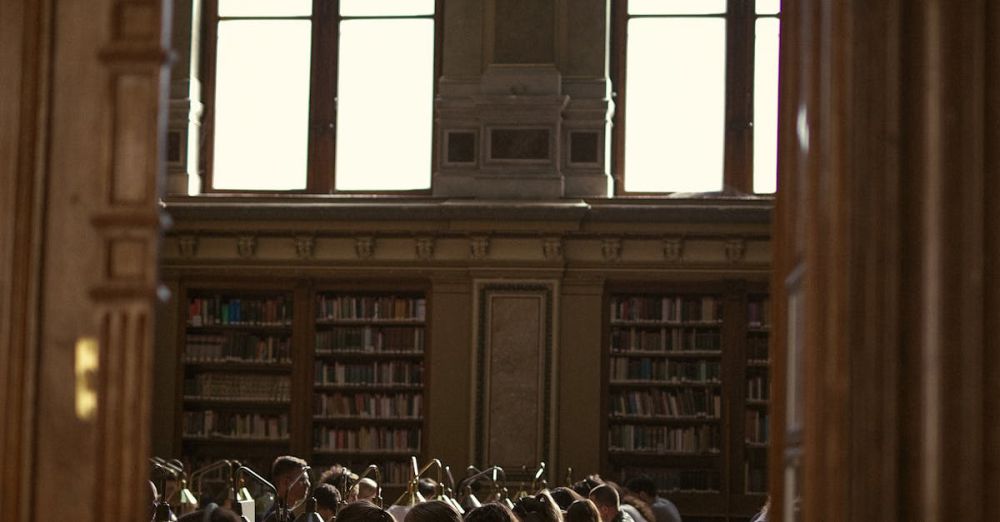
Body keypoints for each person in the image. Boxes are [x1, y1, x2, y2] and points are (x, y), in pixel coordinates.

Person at [263, 455, 311, 521]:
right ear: (285, 482)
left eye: (308, 480)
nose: (308, 484)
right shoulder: (276, 518)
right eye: (302, 480)